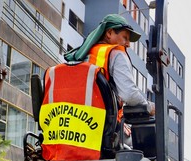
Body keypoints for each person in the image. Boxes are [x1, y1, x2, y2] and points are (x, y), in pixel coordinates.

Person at [64, 14, 155, 146]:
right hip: (102, 130)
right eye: (125, 38)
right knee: (145, 145)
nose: (128, 44)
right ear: (109, 33)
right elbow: (129, 94)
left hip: (71, 128)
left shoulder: (80, 57)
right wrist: (149, 106)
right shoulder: (115, 53)